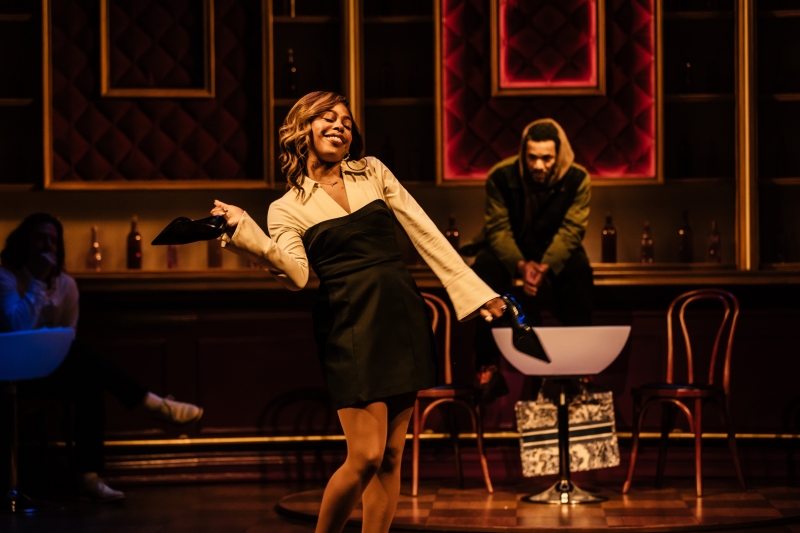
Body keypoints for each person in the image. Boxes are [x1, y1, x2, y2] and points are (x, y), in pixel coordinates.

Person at [211, 91, 505, 533]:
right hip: (348, 323)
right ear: (303, 129)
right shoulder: (286, 207)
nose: (340, 126)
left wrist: (477, 293)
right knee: (365, 455)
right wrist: (244, 230)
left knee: (390, 457)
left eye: (346, 122)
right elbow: (296, 275)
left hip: (400, 314)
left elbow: (425, 232)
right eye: (328, 118)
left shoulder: (373, 172)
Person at [0, 213, 204, 502]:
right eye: (40, 239)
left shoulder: (66, 285)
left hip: (48, 370)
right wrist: (38, 283)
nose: (47, 246)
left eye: (53, 241)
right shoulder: (6, 277)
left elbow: (67, 339)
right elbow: (16, 328)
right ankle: (153, 404)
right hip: (9, 372)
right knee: (85, 361)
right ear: (25, 242)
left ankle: (89, 477)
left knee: (90, 380)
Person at [461, 118, 594, 404]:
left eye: (546, 158)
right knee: (483, 272)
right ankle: (487, 367)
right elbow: (498, 230)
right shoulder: (501, 176)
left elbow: (572, 229)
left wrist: (545, 266)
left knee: (580, 272)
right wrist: (521, 266)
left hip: (555, 251)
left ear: (558, 155)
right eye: (532, 157)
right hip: (509, 250)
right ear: (523, 153)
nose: (538, 165)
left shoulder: (578, 178)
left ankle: (579, 368)